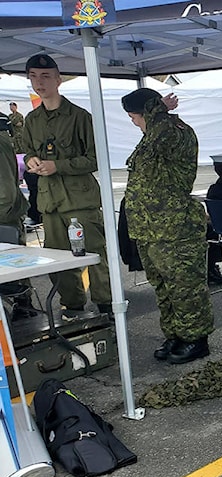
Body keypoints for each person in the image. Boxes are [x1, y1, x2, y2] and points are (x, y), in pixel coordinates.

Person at [121, 87, 213, 365]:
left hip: (175, 228)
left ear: (147, 112)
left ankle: (196, 339)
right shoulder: (153, 134)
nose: (133, 122)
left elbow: (156, 147)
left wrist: (157, 111)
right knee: (163, 288)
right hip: (151, 229)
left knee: (185, 286)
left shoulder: (173, 131)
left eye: (135, 116)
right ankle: (175, 334)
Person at [21, 54, 111, 319]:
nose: (39, 82)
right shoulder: (31, 120)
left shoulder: (79, 117)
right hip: (50, 202)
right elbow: (26, 153)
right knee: (59, 259)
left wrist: (57, 166)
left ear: (58, 80)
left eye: (45, 76)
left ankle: (107, 306)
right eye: (34, 77)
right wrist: (32, 161)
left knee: (94, 256)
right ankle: (72, 305)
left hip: (79, 200)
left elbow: (95, 158)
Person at [0, 114, 38, 320]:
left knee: (14, 272)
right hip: (5, 213)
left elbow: (5, 192)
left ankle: (24, 307)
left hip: (4, 217)